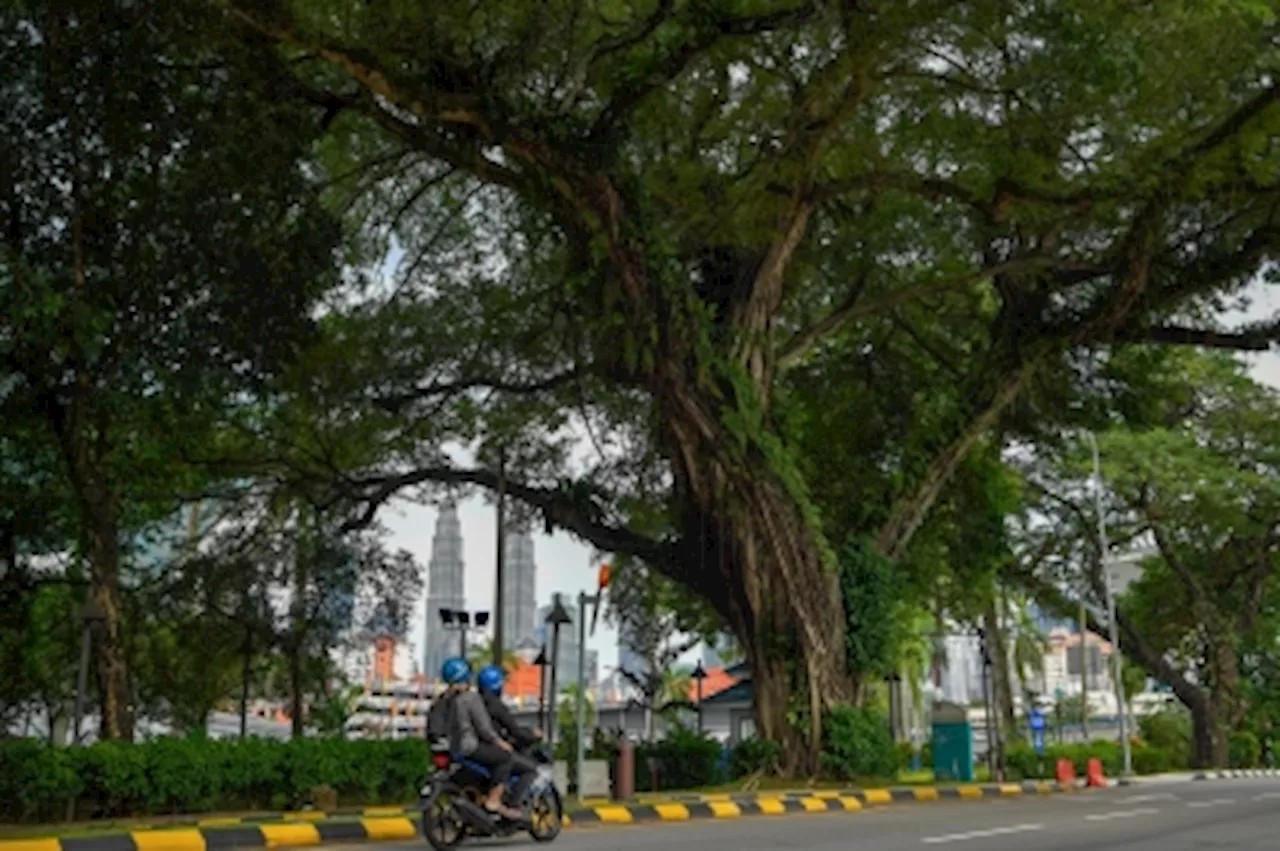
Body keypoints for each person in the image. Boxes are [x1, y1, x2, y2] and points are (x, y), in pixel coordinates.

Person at [439, 657, 523, 821]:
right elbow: (484, 728)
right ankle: (494, 800)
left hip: (452, 748)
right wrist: (500, 743)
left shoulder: (443, 699)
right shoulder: (471, 698)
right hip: (470, 747)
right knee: (505, 758)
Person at [477, 664, 542, 807]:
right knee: (530, 770)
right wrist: (532, 735)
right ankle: (513, 805)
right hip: (491, 749)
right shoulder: (496, 706)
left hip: (475, 750)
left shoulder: (473, 702)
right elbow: (515, 731)